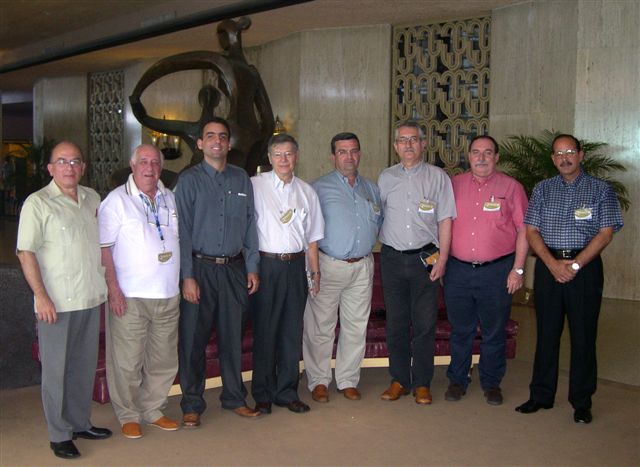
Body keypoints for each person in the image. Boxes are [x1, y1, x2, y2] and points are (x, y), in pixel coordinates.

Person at [515, 134, 623, 424]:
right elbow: (531, 231)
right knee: (546, 333)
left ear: (581, 155)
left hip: (585, 269)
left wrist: (574, 265)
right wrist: (552, 264)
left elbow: (606, 233)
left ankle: (582, 401)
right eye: (559, 153)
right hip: (548, 268)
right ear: (553, 159)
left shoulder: (600, 189)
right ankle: (541, 395)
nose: (565, 158)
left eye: (570, 152)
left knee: (583, 336)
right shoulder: (542, 189)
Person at [16, 141, 111, 459]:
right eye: (62, 161)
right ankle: (59, 434)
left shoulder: (92, 198)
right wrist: (41, 297)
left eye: (75, 161)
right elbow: (25, 253)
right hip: (56, 303)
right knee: (56, 372)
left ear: (83, 167)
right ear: (50, 168)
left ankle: (79, 423)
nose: (69, 167)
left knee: (82, 368)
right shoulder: (37, 203)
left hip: (90, 297)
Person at [175, 117, 261, 426]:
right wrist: (187, 276)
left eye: (222, 136)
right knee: (193, 340)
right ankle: (191, 403)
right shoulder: (188, 181)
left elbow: (250, 225)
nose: (217, 141)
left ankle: (234, 397)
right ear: (200, 143)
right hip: (199, 269)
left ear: (229, 143)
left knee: (232, 337)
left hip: (234, 270)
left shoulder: (241, 179)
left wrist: (252, 267)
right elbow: (182, 232)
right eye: (210, 136)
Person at [98, 144, 181, 439]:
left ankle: (153, 410)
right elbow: (104, 249)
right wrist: (114, 290)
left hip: (167, 294)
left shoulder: (170, 197)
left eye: (155, 163)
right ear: (132, 166)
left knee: (163, 359)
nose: (150, 167)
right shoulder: (116, 201)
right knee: (127, 360)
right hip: (131, 295)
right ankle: (129, 414)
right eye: (143, 162)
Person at [443, 135, 528, 405]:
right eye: (476, 152)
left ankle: (491, 382)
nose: (481, 158)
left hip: (497, 271)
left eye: (488, 152)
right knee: (461, 329)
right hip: (458, 271)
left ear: (496, 157)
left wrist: (518, 270)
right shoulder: (452, 186)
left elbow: (524, 230)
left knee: (494, 330)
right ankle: (458, 380)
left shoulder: (511, 188)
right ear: (468, 156)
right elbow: (441, 223)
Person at [377, 121, 456, 405]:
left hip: (426, 259)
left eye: (414, 139)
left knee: (424, 323)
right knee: (396, 323)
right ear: (395, 146)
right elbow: (378, 215)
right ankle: (399, 379)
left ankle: (422, 382)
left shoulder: (438, 177)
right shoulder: (385, 178)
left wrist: (443, 258)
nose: (408, 144)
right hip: (392, 259)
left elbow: (445, 219)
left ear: (423, 144)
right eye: (402, 140)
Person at [302, 132, 381, 403]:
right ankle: (318, 380)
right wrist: (313, 270)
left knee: (355, 327)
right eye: (342, 151)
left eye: (354, 151)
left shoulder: (371, 189)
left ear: (360, 154)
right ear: (333, 156)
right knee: (320, 327)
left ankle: (348, 380)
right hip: (327, 266)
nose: (349, 157)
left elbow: (378, 223)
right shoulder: (317, 188)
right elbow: (308, 233)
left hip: (362, 267)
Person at [250, 133, 324, 414]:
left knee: (292, 332)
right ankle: (263, 394)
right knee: (265, 331)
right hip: (266, 266)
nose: (283, 159)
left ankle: (287, 392)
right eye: (278, 154)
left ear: (297, 156)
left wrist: (314, 273)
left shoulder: (307, 192)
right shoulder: (254, 186)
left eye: (289, 154)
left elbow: (312, 239)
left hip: (296, 267)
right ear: (269, 158)